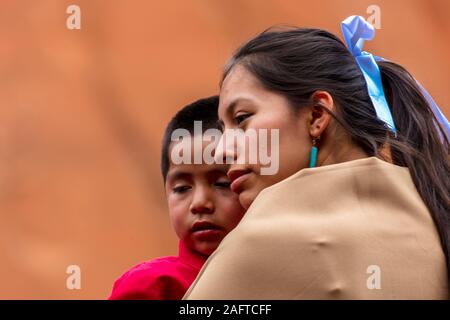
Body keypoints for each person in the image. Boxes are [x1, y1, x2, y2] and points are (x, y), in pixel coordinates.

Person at [184, 16, 450, 299]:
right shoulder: (434, 217)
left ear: (317, 115)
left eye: (242, 118)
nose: (223, 150)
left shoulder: (268, 238)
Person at [109, 96, 245, 299]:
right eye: (181, 189)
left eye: (222, 183)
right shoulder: (154, 286)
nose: (199, 203)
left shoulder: (289, 273)